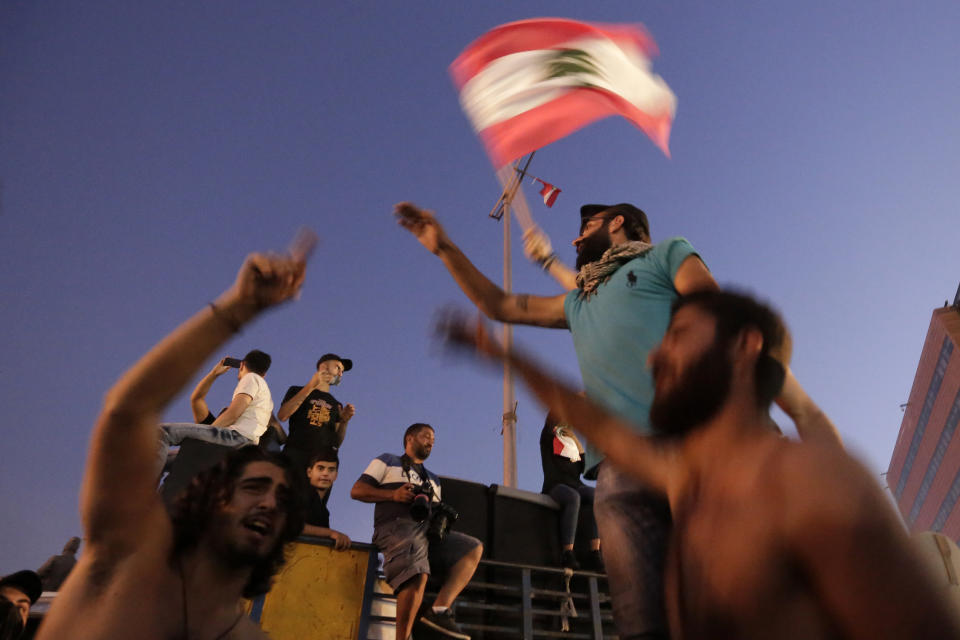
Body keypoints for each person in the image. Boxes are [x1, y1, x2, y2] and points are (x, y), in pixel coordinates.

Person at [397, 200, 839, 639]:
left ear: (619, 222)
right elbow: (501, 306)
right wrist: (444, 248)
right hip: (622, 470)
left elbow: (712, 308)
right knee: (646, 621)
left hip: (702, 442)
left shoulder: (665, 255)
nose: (576, 234)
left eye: (587, 224)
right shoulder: (577, 303)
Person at [439, 292, 960, 639]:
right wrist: (503, 355)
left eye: (680, 334)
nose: (653, 358)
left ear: (743, 347)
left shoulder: (807, 481)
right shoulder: (688, 484)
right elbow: (593, 421)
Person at [35, 234, 314, 640]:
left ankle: (150, 480)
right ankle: (147, 483)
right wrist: (237, 308)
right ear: (213, 494)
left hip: (230, 437)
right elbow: (128, 413)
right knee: (168, 445)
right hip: (221, 448)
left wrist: (214, 427)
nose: (270, 503)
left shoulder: (248, 636)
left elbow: (146, 416)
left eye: (284, 500)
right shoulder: (125, 555)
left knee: (165, 434)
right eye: (254, 487)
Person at [351, 423, 482, 640]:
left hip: (425, 532)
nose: (431, 441)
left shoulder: (433, 479)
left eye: (433, 439)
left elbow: (433, 509)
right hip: (395, 525)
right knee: (417, 574)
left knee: (472, 547)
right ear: (410, 438)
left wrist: (442, 515)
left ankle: (439, 610)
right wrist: (393, 496)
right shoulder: (387, 460)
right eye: (426, 436)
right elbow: (357, 490)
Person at [156, 349, 275, 477]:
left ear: (242, 365)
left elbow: (233, 413)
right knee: (166, 460)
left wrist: (203, 437)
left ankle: (139, 492)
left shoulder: (251, 377)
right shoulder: (264, 398)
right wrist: (214, 374)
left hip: (237, 439)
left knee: (161, 432)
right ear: (264, 375)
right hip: (239, 446)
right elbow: (197, 399)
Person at [540, 412, 602, 571]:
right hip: (555, 485)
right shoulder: (549, 437)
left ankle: (595, 552)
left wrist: (576, 439)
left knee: (596, 495)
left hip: (575, 484)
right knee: (573, 497)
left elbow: (587, 470)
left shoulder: (573, 444)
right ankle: (568, 552)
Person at [278, 353, 356, 473]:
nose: (340, 374)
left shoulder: (337, 404)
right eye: (338, 368)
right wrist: (311, 386)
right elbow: (283, 415)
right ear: (324, 367)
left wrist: (344, 421)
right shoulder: (296, 390)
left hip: (321, 466)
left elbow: (336, 443)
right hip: (294, 458)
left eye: (342, 372)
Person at [302, 447, 352, 550]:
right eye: (320, 468)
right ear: (309, 472)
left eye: (331, 469)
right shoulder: (302, 494)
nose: (325, 473)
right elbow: (290, 525)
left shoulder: (323, 510)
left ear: (336, 476)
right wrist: (331, 533)